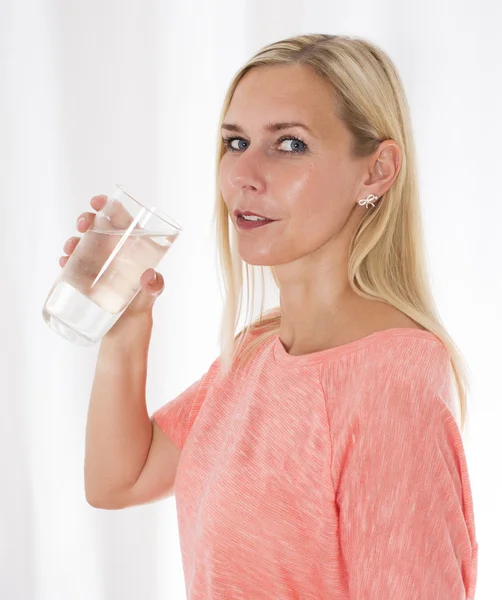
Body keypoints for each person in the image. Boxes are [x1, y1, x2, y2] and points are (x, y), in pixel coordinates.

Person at [63, 34, 478, 599]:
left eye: (290, 145)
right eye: (236, 142)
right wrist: (126, 329)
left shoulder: (390, 380)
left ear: (376, 171)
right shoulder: (259, 350)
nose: (243, 175)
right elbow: (118, 481)